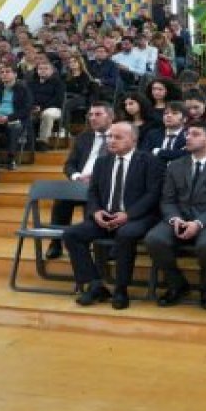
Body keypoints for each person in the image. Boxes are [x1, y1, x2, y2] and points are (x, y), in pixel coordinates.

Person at [63, 122, 163, 310]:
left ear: (133, 139)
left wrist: (128, 214)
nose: (111, 141)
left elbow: (153, 195)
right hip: (106, 216)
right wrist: (96, 211)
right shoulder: (102, 162)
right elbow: (92, 193)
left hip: (138, 217)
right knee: (72, 234)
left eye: (118, 137)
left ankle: (121, 289)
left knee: (125, 234)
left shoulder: (150, 161)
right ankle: (95, 285)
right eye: (110, 136)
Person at [145, 122, 206, 310]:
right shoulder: (175, 166)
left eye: (195, 134)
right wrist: (174, 218)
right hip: (179, 217)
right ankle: (176, 284)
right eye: (187, 134)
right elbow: (167, 200)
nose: (187, 137)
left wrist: (199, 222)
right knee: (154, 239)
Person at [45, 101, 114, 260]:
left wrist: (95, 178)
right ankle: (56, 244)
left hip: (104, 187)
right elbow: (69, 164)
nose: (92, 118)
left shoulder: (117, 136)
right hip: (80, 184)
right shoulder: (84, 137)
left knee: (95, 203)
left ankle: (96, 246)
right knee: (61, 200)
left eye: (98, 114)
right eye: (90, 115)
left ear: (111, 117)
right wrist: (77, 176)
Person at [29, 60, 66, 150]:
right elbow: (27, 98)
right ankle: (28, 142)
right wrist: (32, 107)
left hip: (54, 109)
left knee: (47, 114)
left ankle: (43, 142)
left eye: (46, 68)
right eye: (40, 69)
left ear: (52, 71)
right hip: (34, 108)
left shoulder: (58, 83)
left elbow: (58, 100)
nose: (43, 70)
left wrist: (41, 108)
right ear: (37, 71)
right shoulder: (31, 83)